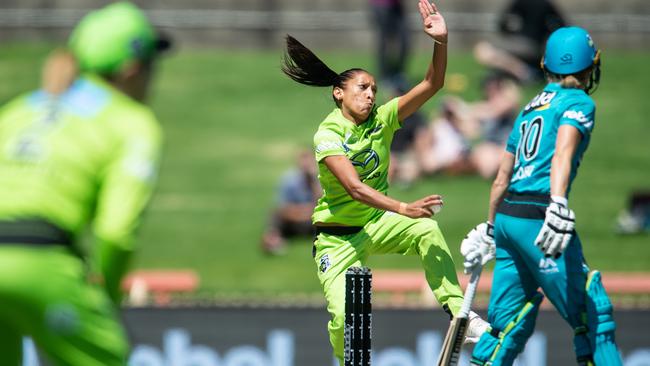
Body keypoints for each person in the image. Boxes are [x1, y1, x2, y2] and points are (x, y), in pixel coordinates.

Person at [281, 1, 487, 363]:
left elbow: (433, 83)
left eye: (374, 88)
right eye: (362, 87)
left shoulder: (383, 118)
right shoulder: (328, 133)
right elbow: (354, 188)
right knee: (345, 320)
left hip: (376, 223)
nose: (371, 94)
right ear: (338, 93)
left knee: (426, 231)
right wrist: (404, 208)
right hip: (337, 239)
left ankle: (460, 314)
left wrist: (442, 41)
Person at [0, 2, 169, 365]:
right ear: (131, 71)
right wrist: (104, 299)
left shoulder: (18, 109)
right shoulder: (132, 123)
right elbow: (117, 231)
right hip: (41, 260)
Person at [460, 27, 622, 365]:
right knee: (593, 316)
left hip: (507, 218)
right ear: (589, 67)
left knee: (503, 330)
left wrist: (490, 228)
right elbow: (563, 152)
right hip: (539, 216)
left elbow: (502, 175)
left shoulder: (529, 107)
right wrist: (558, 202)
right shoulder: (579, 101)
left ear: (546, 64)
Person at [419, 72, 521, 178]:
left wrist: (460, 108)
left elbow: (495, 110)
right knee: (485, 164)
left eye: (494, 88)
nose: (490, 92)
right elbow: (472, 129)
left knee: (491, 165)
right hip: (487, 146)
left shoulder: (506, 103)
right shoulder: (482, 106)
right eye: (489, 88)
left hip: (504, 146)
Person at [473, 0, 566, 83]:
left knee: (483, 49)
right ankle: (522, 72)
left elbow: (502, 23)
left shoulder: (520, 2)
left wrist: (511, 33)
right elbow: (562, 25)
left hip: (523, 45)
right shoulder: (546, 4)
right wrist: (546, 34)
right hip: (538, 47)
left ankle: (524, 73)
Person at [261, 149, 320, 255]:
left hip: (314, 221)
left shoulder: (320, 178)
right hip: (295, 219)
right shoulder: (289, 179)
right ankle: (272, 241)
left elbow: (321, 202)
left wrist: (313, 182)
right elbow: (283, 208)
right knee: (275, 215)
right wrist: (304, 212)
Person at [369, 0, 411, 90]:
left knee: (405, 40)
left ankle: (397, 74)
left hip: (396, 5)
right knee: (385, 42)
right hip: (381, 5)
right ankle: (385, 76)